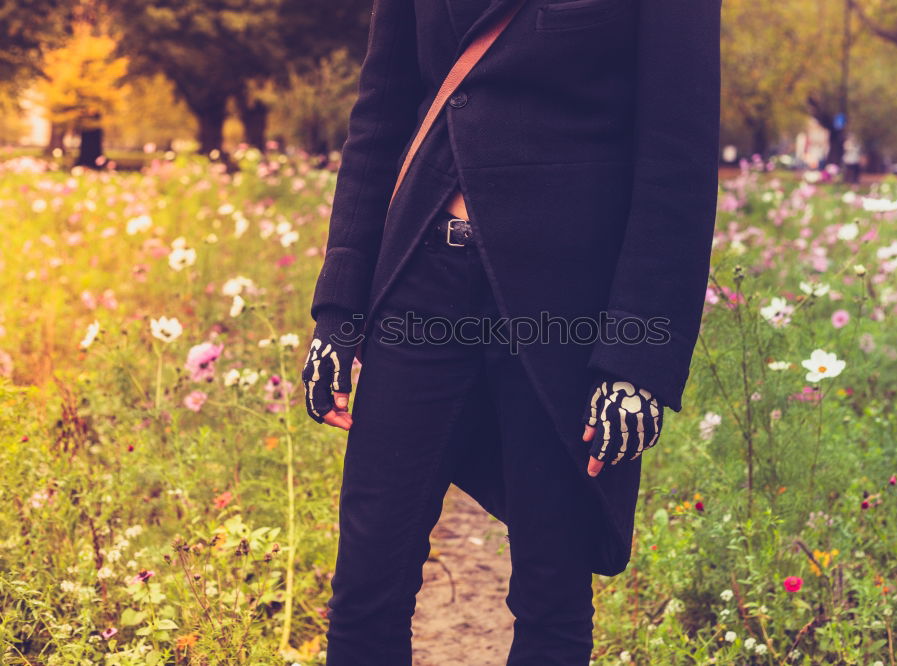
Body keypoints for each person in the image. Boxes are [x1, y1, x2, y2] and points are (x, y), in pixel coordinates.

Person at [301, 0, 722, 661]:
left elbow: (679, 154)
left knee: (552, 590)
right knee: (366, 581)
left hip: (566, 305)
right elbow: (381, 113)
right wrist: (338, 310)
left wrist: (639, 357)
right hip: (420, 280)